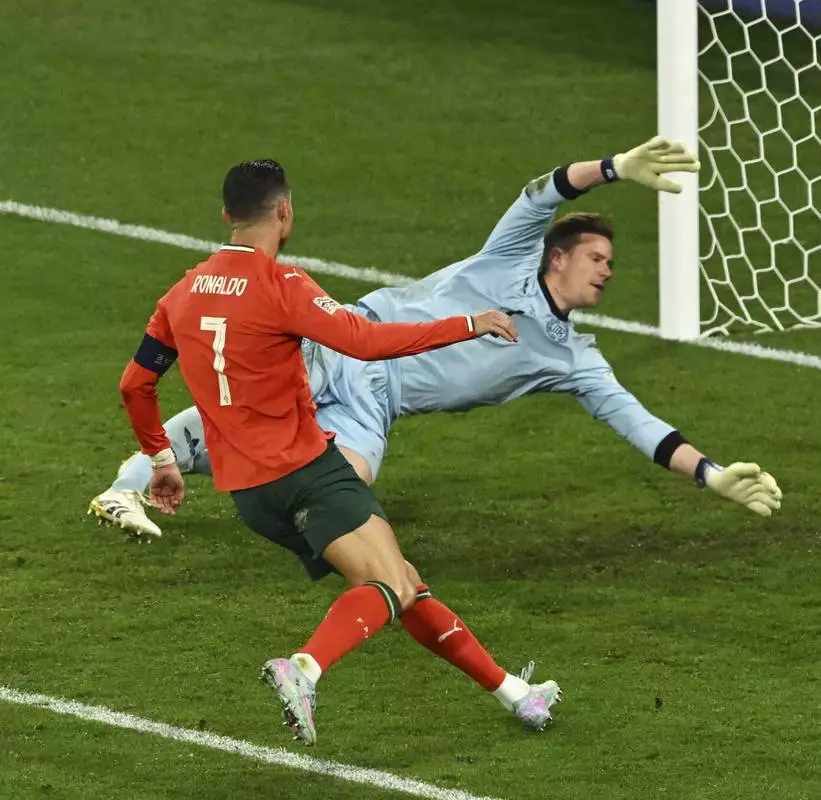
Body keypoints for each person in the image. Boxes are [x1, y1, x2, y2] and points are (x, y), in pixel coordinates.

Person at [92, 136, 782, 543]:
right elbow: (542, 193)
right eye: (597, 257)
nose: (607, 271)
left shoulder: (573, 359)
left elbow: (639, 424)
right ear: (559, 256)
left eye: (611, 265)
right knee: (260, 418)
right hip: (348, 335)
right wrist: (616, 166)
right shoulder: (509, 255)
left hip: (378, 402)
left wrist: (712, 474)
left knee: (340, 491)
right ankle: (128, 483)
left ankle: (164, 480)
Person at [117, 158, 560, 745]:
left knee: (403, 579)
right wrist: (469, 324)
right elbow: (365, 341)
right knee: (390, 586)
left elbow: (135, 385)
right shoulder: (283, 286)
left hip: (249, 495)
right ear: (284, 211)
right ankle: (303, 668)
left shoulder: (179, 295)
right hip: (308, 473)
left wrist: (164, 459)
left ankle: (515, 694)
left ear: (226, 215)